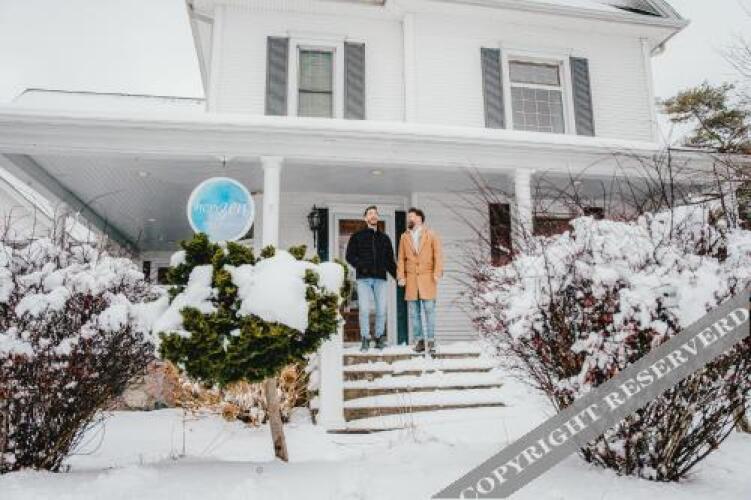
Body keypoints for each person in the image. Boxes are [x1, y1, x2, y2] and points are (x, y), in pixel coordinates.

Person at [345, 206, 397, 351]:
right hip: (364, 278)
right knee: (364, 309)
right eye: (370, 213)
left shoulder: (384, 238)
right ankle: (365, 338)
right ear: (365, 218)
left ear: (378, 217)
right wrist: (361, 266)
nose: (373, 215)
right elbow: (349, 256)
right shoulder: (357, 236)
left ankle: (379, 337)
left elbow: (390, 261)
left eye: (375, 213)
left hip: (380, 278)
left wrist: (398, 277)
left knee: (381, 309)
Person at [397, 207, 443, 353]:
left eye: (411, 216)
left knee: (429, 311)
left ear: (419, 218)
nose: (409, 219)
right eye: (408, 217)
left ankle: (431, 341)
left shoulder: (431, 234)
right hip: (411, 280)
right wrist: (401, 276)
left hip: (428, 278)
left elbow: (438, 255)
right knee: (414, 313)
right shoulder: (404, 237)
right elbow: (401, 258)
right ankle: (420, 341)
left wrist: (437, 273)